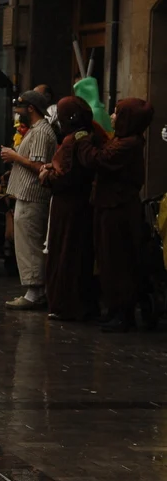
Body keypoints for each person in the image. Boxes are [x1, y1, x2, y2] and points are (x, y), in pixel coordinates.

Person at [79, 97, 155, 332]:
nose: (112, 117)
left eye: (117, 113)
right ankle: (114, 309)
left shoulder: (128, 144)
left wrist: (82, 140)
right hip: (110, 206)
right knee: (107, 259)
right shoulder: (124, 140)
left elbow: (98, 159)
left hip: (118, 210)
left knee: (118, 261)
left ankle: (123, 313)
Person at [38, 97, 99, 322]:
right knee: (77, 253)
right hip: (79, 204)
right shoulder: (88, 135)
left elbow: (66, 175)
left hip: (68, 206)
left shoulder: (74, 140)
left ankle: (65, 304)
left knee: (66, 253)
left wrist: (47, 176)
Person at [2, 89, 57, 311]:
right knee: (26, 243)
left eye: (20, 109)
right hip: (25, 194)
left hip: (32, 196)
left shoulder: (41, 132)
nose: (18, 113)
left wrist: (14, 156)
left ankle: (35, 292)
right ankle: (34, 290)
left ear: (31, 109)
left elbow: (39, 166)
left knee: (30, 244)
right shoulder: (35, 130)